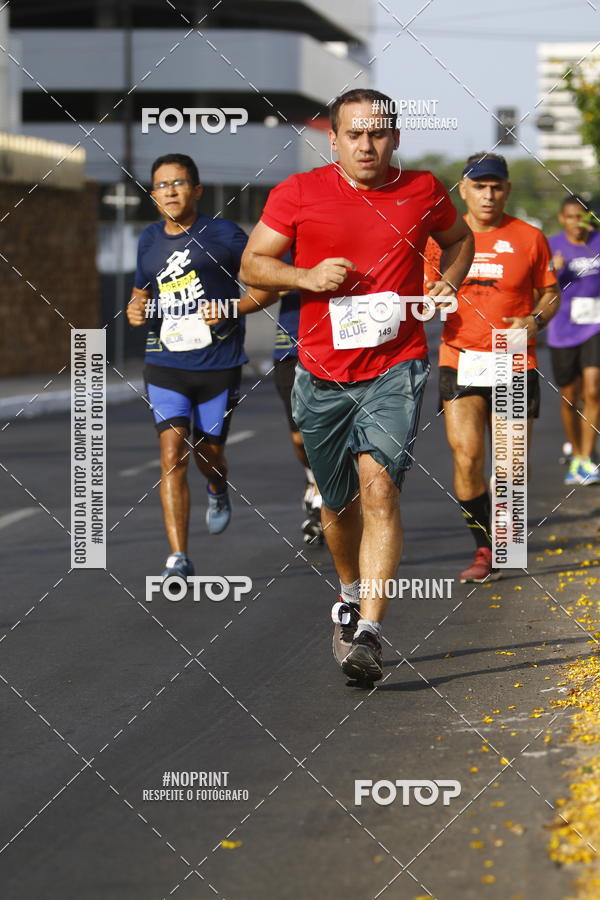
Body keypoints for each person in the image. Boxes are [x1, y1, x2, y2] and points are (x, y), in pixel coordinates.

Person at [238, 88, 474, 682]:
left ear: (395, 137)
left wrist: (448, 280)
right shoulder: (298, 192)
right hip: (320, 371)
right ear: (334, 140)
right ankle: (348, 591)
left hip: (396, 366)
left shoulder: (423, 189)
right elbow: (252, 265)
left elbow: (460, 239)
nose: (367, 145)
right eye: (355, 134)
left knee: (380, 491)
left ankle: (369, 630)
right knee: (337, 504)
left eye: (378, 133)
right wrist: (305, 275)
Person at [126, 153, 275, 581]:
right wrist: (135, 309)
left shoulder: (225, 235)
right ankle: (178, 558)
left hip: (218, 365)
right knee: (172, 454)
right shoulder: (148, 239)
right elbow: (140, 294)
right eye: (161, 185)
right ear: (153, 195)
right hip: (165, 362)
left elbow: (267, 286)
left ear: (196, 190)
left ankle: (217, 484)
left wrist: (232, 308)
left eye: (178, 183)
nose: (170, 191)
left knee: (208, 455)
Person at [425, 152, 560, 584]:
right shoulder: (440, 240)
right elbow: (424, 292)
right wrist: (429, 298)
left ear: (507, 190)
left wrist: (535, 319)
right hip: (460, 356)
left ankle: (506, 538)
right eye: (479, 186)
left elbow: (551, 293)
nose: (488, 195)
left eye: (495, 187)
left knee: (511, 464)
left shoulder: (529, 237)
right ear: (462, 190)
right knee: (467, 458)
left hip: (512, 355)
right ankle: (485, 546)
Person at [547, 195, 600, 485]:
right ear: (562, 219)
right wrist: (553, 271)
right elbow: (537, 289)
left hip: (595, 326)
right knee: (569, 396)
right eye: (570, 217)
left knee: (593, 389)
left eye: (581, 216)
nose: (576, 223)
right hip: (563, 329)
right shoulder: (552, 246)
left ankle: (587, 458)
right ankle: (577, 453)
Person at [273, 250, 324, 544]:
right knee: (299, 437)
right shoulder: (284, 240)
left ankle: (323, 506)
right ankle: (312, 476)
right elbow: (259, 279)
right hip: (290, 347)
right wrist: (306, 277)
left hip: (336, 344)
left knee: (333, 434)